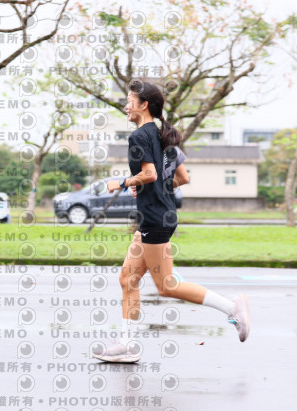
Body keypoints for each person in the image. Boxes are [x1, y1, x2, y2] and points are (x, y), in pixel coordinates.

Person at [92, 80, 251, 363]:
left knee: (166, 285)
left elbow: (150, 174)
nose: (126, 106)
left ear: (144, 105)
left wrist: (123, 182)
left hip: (155, 219)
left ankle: (232, 308)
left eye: (129, 101)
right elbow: (182, 178)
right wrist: (149, 187)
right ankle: (128, 345)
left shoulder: (139, 137)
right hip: (157, 216)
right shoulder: (163, 135)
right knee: (128, 278)